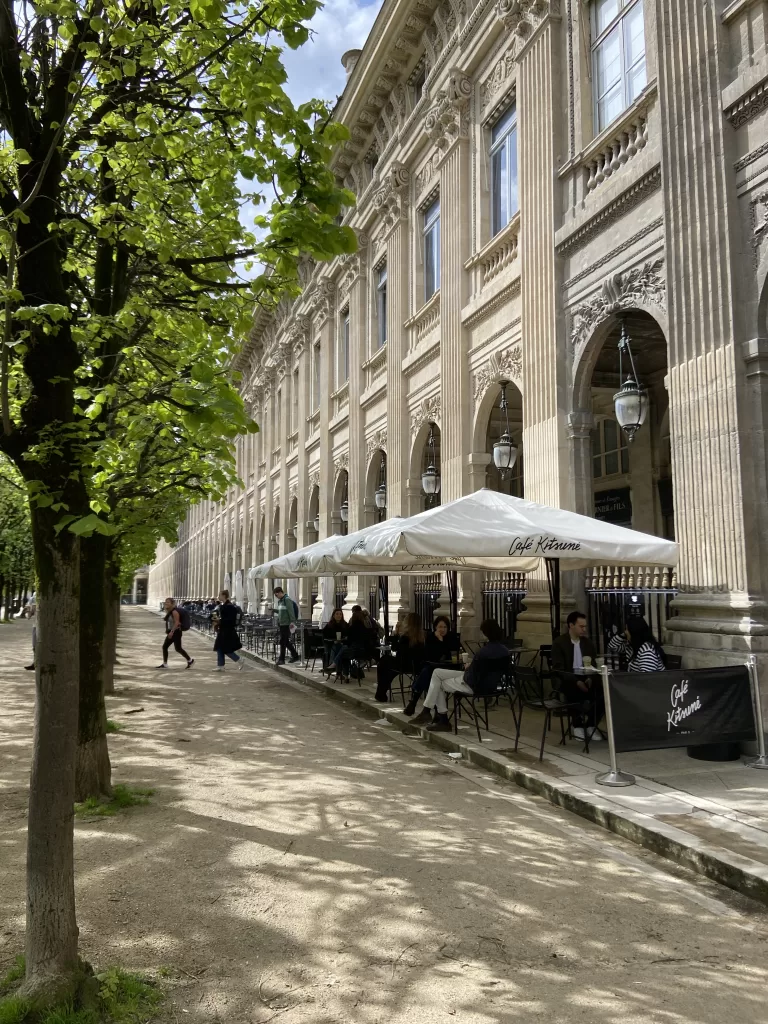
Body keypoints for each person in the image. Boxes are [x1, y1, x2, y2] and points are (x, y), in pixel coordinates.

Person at [413, 619, 510, 731]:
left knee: (437, 683)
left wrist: (469, 666)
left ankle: (441, 718)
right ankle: (428, 711)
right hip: (490, 685)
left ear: (485, 633)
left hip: (473, 684)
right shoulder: (505, 651)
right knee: (437, 672)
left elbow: (473, 673)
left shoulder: (483, 652)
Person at [551, 610, 603, 741]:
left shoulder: (587, 643)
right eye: (581, 626)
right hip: (568, 679)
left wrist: (590, 678)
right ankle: (577, 724)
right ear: (571, 625)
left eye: (585, 626)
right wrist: (577, 682)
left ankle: (591, 724)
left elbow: (593, 663)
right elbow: (559, 668)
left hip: (586, 676)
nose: (583, 629)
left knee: (602, 693)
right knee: (573, 691)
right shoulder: (559, 643)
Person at [404, 615, 456, 716]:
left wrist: (441, 641)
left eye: (445, 627)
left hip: (446, 668)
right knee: (430, 675)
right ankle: (436, 713)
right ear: (435, 627)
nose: (443, 629)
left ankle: (414, 701)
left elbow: (449, 655)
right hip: (432, 666)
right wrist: (437, 640)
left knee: (428, 672)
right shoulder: (430, 637)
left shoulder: (451, 637)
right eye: (440, 627)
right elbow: (430, 656)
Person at [374, 612, 426, 702]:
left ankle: (381, 691)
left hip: (403, 664)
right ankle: (381, 691)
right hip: (416, 666)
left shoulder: (405, 637)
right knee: (386, 666)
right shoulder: (423, 636)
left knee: (383, 662)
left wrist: (397, 634)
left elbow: (395, 649)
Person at [334, 605, 370, 682]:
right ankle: (336, 667)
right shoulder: (365, 628)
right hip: (364, 652)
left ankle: (344, 674)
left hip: (355, 652)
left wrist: (343, 641)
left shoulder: (352, 628)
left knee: (344, 654)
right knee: (344, 651)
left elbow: (349, 642)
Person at [156, 597, 194, 669]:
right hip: (174, 632)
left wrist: (171, 632)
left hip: (176, 632)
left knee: (168, 647)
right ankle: (190, 660)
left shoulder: (174, 611)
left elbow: (177, 623)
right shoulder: (170, 611)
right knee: (177, 648)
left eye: (168, 602)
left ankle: (166, 664)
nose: (166, 603)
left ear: (172, 604)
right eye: (165, 602)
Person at [213, 589, 244, 670]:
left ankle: (239, 659)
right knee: (220, 647)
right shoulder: (223, 606)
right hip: (223, 630)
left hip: (228, 631)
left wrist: (220, 621)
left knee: (226, 648)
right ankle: (220, 666)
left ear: (224, 596)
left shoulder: (230, 607)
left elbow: (231, 620)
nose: (218, 597)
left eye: (219, 595)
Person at [273, 586, 300, 664]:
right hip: (281, 624)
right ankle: (295, 655)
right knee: (285, 641)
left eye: (276, 595)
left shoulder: (287, 600)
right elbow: (281, 611)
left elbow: (291, 612)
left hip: (287, 624)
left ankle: (282, 659)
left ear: (281, 592)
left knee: (283, 641)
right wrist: (274, 610)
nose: (276, 596)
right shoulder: (280, 601)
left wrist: (292, 623)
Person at [23, 594, 37, 671]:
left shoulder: (34, 597)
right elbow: (28, 615)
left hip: (37, 625)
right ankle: (36, 663)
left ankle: (36, 663)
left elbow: (28, 616)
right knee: (35, 646)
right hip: (36, 625)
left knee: (35, 646)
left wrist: (28, 611)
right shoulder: (34, 597)